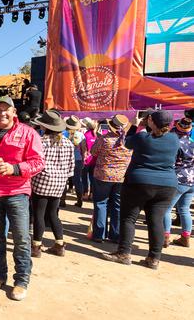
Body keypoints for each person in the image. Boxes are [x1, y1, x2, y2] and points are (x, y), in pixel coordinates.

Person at [0, 95, 44, 301]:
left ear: (14, 112)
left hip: (17, 193)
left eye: (6, 109)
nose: (2, 113)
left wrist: (14, 168)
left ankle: (21, 280)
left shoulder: (28, 133)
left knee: (21, 239)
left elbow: (38, 162)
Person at [102, 110, 179, 269]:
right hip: (167, 185)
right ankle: (153, 259)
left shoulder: (142, 137)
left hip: (139, 182)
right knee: (156, 221)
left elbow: (125, 142)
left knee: (129, 218)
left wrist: (135, 124)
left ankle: (124, 253)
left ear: (151, 121)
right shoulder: (174, 139)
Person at [30, 111, 74, 257]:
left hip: (42, 180)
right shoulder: (68, 143)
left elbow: (36, 162)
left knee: (39, 214)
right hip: (59, 182)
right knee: (53, 214)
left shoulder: (41, 141)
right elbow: (71, 166)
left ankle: (36, 245)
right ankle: (59, 244)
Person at [89, 115, 133, 243]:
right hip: (121, 177)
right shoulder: (129, 141)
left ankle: (99, 234)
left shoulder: (104, 139)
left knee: (101, 203)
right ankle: (115, 234)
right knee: (117, 206)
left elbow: (93, 152)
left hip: (103, 175)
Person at [163, 118, 193, 247]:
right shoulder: (192, 142)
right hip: (191, 180)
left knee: (166, 209)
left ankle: (165, 237)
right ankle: (185, 237)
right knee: (184, 209)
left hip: (178, 179)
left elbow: (169, 161)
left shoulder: (174, 143)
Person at [66, 116, 86, 207]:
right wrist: (83, 159)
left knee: (64, 179)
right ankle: (79, 200)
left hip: (65, 159)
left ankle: (62, 200)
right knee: (78, 180)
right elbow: (83, 149)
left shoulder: (63, 133)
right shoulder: (81, 135)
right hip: (77, 159)